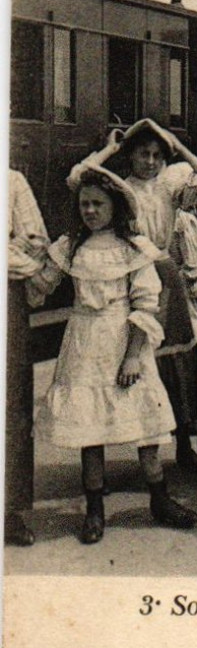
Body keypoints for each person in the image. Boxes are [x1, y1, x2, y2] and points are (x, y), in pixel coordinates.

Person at [28, 166, 197, 544]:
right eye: (84, 204)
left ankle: (160, 498)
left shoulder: (133, 248)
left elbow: (145, 304)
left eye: (98, 204)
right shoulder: (70, 247)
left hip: (123, 338)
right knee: (91, 426)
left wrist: (134, 356)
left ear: (114, 206)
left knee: (144, 423)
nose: (90, 211)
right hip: (84, 342)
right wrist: (26, 260)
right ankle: (94, 508)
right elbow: (40, 285)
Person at [69, 120, 197, 470]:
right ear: (131, 156)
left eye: (157, 155)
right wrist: (110, 147)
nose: (150, 161)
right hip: (131, 271)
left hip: (164, 272)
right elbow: (77, 177)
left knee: (175, 360)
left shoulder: (171, 186)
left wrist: (179, 146)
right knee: (131, 354)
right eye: (143, 154)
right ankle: (130, 446)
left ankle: (183, 445)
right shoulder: (121, 190)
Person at [7, 170, 49, 545]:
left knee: (12, 403)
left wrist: (15, 254)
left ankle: (8, 511)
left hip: (8, 298)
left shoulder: (13, 180)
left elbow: (36, 240)